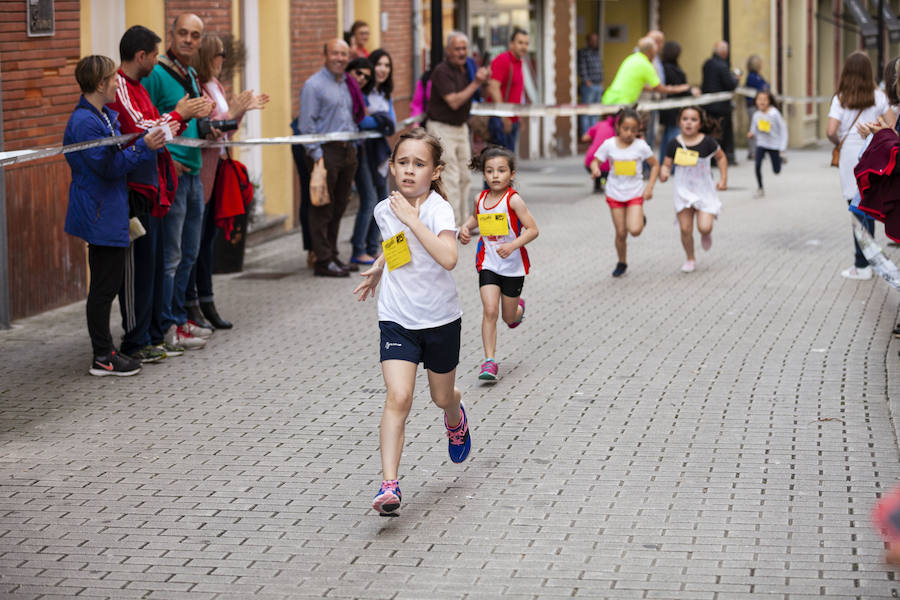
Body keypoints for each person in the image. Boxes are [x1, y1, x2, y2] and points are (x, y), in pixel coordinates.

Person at [352, 129, 469, 516]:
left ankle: (455, 414)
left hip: (440, 319)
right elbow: (398, 244)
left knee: (440, 397)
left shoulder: (438, 210)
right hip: (397, 317)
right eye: (402, 163)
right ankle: (389, 485)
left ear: (435, 172)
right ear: (391, 166)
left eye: (418, 165)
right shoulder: (385, 209)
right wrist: (378, 267)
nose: (408, 171)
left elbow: (448, 258)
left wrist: (412, 218)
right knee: (398, 397)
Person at [108, 25, 209, 364]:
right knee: (139, 273)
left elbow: (156, 127)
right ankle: (135, 340)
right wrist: (180, 114)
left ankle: (153, 334)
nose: (157, 60)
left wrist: (182, 117)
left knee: (153, 268)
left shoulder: (138, 87)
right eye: (154, 55)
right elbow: (143, 130)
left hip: (153, 190)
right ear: (141, 56)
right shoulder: (122, 85)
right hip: (134, 192)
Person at [64, 55, 167, 376]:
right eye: (111, 79)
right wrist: (143, 148)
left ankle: (104, 351)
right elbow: (108, 166)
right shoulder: (84, 123)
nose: (116, 84)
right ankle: (102, 356)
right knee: (104, 288)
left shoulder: (104, 115)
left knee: (109, 283)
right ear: (99, 84)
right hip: (99, 212)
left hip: (112, 209)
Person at [142, 13, 215, 350]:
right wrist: (168, 157)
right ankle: (167, 326)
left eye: (195, 35)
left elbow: (189, 121)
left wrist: (209, 124)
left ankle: (180, 316)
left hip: (194, 173)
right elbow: (143, 122)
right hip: (171, 176)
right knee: (170, 256)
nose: (188, 40)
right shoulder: (156, 73)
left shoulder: (189, 73)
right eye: (183, 33)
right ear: (170, 35)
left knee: (189, 253)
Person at [188, 32, 268, 329]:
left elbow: (227, 131)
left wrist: (241, 110)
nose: (223, 59)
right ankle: (193, 302)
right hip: (203, 171)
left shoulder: (215, 85)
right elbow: (211, 128)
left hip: (218, 169)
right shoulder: (198, 87)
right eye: (220, 54)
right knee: (195, 244)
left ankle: (207, 300)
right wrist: (234, 111)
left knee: (208, 239)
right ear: (209, 56)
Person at [458, 146, 538, 381]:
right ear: (483, 174)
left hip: (513, 265)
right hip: (488, 263)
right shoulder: (479, 198)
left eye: (501, 171)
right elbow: (477, 217)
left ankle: (518, 311)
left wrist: (513, 245)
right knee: (490, 310)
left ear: (511, 174)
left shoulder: (514, 201)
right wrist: (465, 227)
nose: (495, 175)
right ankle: (489, 361)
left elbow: (533, 230)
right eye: (490, 171)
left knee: (508, 317)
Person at [299, 39, 363, 277]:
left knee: (338, 207)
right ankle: (323, 261)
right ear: (325, 55)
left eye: (344, 54)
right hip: (325, 152)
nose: (340, 58)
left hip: (347, 151)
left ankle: (333, 254)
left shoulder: (347, 83)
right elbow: (306, 126)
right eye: (335, 53)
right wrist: (317, 158)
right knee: (322, 208)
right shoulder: (313, 86)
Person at [827, 50, 889, 280]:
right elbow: (892, 125)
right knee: (868, 206)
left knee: (855, 207)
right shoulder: (879, 97)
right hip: (873, 152)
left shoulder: (841, 98)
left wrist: (840, 142)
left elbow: (831, 131)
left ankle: (862, 265)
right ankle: (869, 262)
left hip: (850, 154)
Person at [425, 31, 490, 224]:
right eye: (457, 49)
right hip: (441, 127)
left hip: (461, 126)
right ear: (448, 51)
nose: (462, 53)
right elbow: (453, 101)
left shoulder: (467, 67)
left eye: (464, 48)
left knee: (465, 175)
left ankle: (462, 223)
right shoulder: (441, 71)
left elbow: (479, 93)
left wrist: (483, 82)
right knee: (450, 177)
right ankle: (450, 225)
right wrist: (476, 82)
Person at [590, 108, 658, 277]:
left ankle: (639, 218)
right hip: (614, 193)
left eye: (633, 130)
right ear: (618, 127)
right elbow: (595, 161)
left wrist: (649, 187)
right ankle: (622, 262)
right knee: (621, 233)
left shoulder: (641, 146)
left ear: (638, 130)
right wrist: (595, 170)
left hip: (635, 194)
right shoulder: (610, 144)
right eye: (625, 129)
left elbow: (655, 165)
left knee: (634, 230)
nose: (629, 133)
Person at [659, 106, 727, 273]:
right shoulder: (674, 144)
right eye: (685, 119)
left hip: (704, 190)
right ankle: (690, 258)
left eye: (693, 119)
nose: (689, 123)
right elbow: (666, 164)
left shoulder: (708, 142)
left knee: (704, 227)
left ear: (700, 123)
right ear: (679, 122)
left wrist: (723, 179)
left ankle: (706, 234)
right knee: (685, 229)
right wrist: (664, 173)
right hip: (683, 190)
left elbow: (721, 157)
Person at [352, 49, 396, 265]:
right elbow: (361, 121)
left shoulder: (385, 95)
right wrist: (382, 119)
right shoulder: (362, 92)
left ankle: (372, 246)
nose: (383, 69)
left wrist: (378, 118)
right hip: (362, 151)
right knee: (368, 200)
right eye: (379, 64)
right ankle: (358, 249)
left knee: (383, 200)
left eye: (387, 65)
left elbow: (392, 124)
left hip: (379, 152)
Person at [602, 37, 693, 106]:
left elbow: (639, 85)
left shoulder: (632, 58)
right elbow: (659, 88)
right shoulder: (645, 64)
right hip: (621, 102)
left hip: (610, 99)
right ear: (650, 50)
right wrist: (680, 88)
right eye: (655, 51)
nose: (656, 54)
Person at [488, 27, 529, 152]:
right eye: (520, 42)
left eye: (526, 43)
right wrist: (504, 117)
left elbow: (515, 91)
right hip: (501, 119)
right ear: (511, 44)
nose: (524, 47)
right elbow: (493, 87)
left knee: (508, 161)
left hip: (512, 118)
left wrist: (518, 116)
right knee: (502, 161)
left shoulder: (518, 62)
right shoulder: (503, 60)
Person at [701, 41, 739, 165]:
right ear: (724, 52)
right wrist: (736, 80)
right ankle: (718, 158)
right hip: (721, 107)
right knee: (720, 134)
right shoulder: (722, 66)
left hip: (708, 105)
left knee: (710, 131)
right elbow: (730, 84)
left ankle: (710, 157)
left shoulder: (707, 64)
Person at [747, 90, 787, 198]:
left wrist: (782, 147)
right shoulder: (756, 115)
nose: (762, 102)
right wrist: (751, 134)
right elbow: (753, 129)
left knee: (776, 171)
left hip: (774, 144)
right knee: (757, 165)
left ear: (769, 101)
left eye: (764, 99)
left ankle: (779, 159)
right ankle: (760, 188)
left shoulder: (774, 113)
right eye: (759, 99)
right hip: (761, 144)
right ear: (756, 101)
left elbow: (783, 130)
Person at [658, 40, 691, 164]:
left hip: (671, 108)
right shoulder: (668, 68)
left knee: (668, 136)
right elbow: (678, 86)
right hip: (672, 108)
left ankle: (665, 163)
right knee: (673, 136)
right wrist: (689, 90)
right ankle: (670, 164)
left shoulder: (667, 67)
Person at [577, 32, 604, 135]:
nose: (595, 42)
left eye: (596, 40)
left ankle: (593, 133)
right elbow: (582, 68)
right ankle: (586, 134)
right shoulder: (583, 53)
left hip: (598, 85)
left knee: (595, 111)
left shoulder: (596, 52)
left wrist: (601, 81)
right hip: (589, 86)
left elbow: (600, 68)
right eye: (592, 40)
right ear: (588, 41)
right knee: (586, 111)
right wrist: (587, 81)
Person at [744, 55, 769, 161]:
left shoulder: (758, 76)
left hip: (760, 107)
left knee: (762, 128)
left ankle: (760, 150)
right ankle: (753, 152)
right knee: (755, 129)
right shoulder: (752, 77)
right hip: (753, 107)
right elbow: (763, 87)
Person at [582, 116, 615, 193]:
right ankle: (603, 182)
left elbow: (584, 138)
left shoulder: (599, 124)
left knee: (598, 167)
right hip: (610, 167)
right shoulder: (619, 130)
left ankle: (599, 183)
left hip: (590, 162)